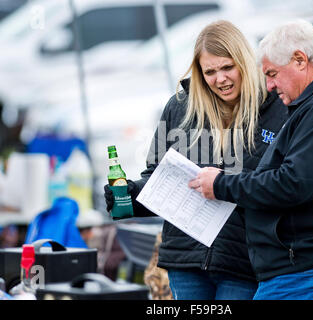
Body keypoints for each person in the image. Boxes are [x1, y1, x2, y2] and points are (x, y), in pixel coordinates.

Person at [190, 19, 313, 300]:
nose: (269, 84)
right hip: (306, 269)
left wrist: (221, 185)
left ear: (300, 60)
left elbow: (292, 184)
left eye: (272, 73)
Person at [104, 20, 287, 300]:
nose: (220, 79)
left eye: (227, 67)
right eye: (210, 72)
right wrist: (129, 196)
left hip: (244, 262)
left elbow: (284, 185)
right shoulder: (180, 108)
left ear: (245, 63)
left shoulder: (276, 108)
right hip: (185, 260)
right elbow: (157, 178)